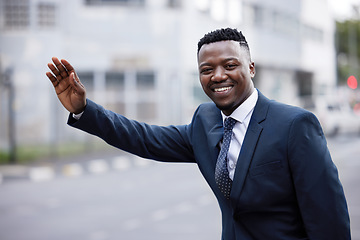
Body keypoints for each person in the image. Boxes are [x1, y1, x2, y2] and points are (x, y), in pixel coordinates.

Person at [46, 28, 351, 239]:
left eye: (230, 65)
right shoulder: (205, 122)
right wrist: (84, 109)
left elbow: (329, 219)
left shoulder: (295, 126)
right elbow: (143, 137)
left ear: (251, 68)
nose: (218, 76)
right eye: (207, 69)